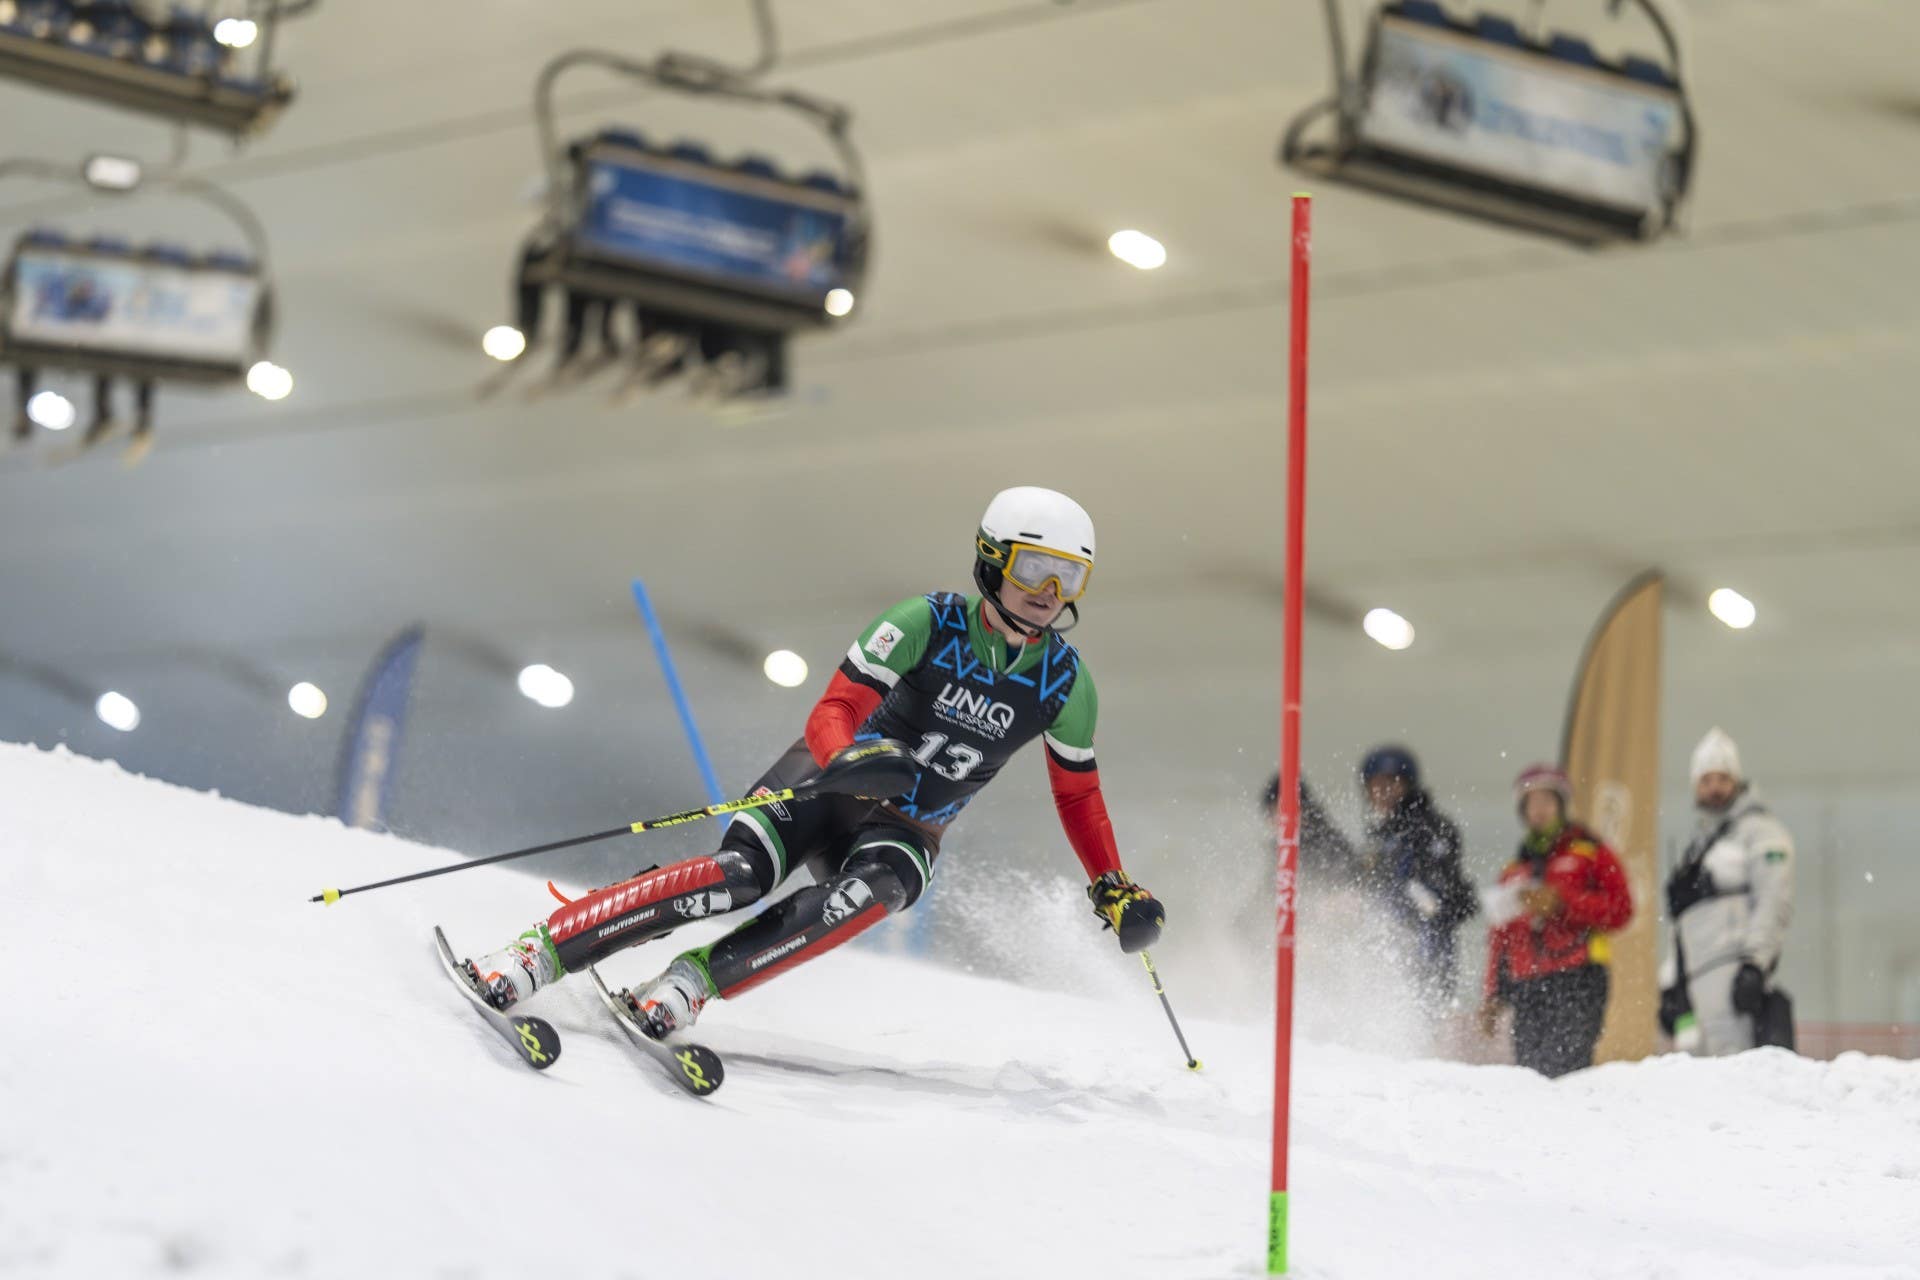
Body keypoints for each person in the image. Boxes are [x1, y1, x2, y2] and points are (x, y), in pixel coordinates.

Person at [458, 486, 1166, 1037]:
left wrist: (1115, 885)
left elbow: (1078, 797)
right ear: (991, 559)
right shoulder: (929, 621)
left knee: (870, 895)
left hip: (909, 828)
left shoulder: (1066, 685)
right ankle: (537, 953)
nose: (1048, 593)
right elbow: (833, 710)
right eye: (1035, 568)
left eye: (1070, 578)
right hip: (830, 785)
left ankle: (689, 984)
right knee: (739, 877)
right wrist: (849, 757)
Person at [1479, 765, 1633, 1077]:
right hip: (1527, 988)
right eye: (1531, 803)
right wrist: (1493, 994)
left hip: (1578, 977)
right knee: (1530, 1078)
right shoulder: (1513, 872)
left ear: (1562, 804)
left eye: (1546, 801)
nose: (1539, 811)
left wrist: (1564, 903)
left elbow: (1621, 909)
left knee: (1569, 1074)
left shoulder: (1591, 853)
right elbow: (1500, 939)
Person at [1659, 728, 1796, 1055]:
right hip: (1694, 984)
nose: (1715, 788)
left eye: (1723, 778)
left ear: (1737, 781)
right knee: (1700, 1082)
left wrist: (1754, 965)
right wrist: (1669, 985)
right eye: (1706, 780)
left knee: (1736, 1076)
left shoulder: (1761, 831)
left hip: (1733, 975)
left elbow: (1773, 900)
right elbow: (1680, 926)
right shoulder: (1697, 845)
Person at [1353, 745, 1477, 1009]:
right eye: (1375, 785)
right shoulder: (1380, 836)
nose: (1382, 792)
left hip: (1426, 954)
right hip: (1387, 954)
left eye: (1391, 783)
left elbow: (1448, 899)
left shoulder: (1432, 828)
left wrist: (1415, 893)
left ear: (1407, 784)